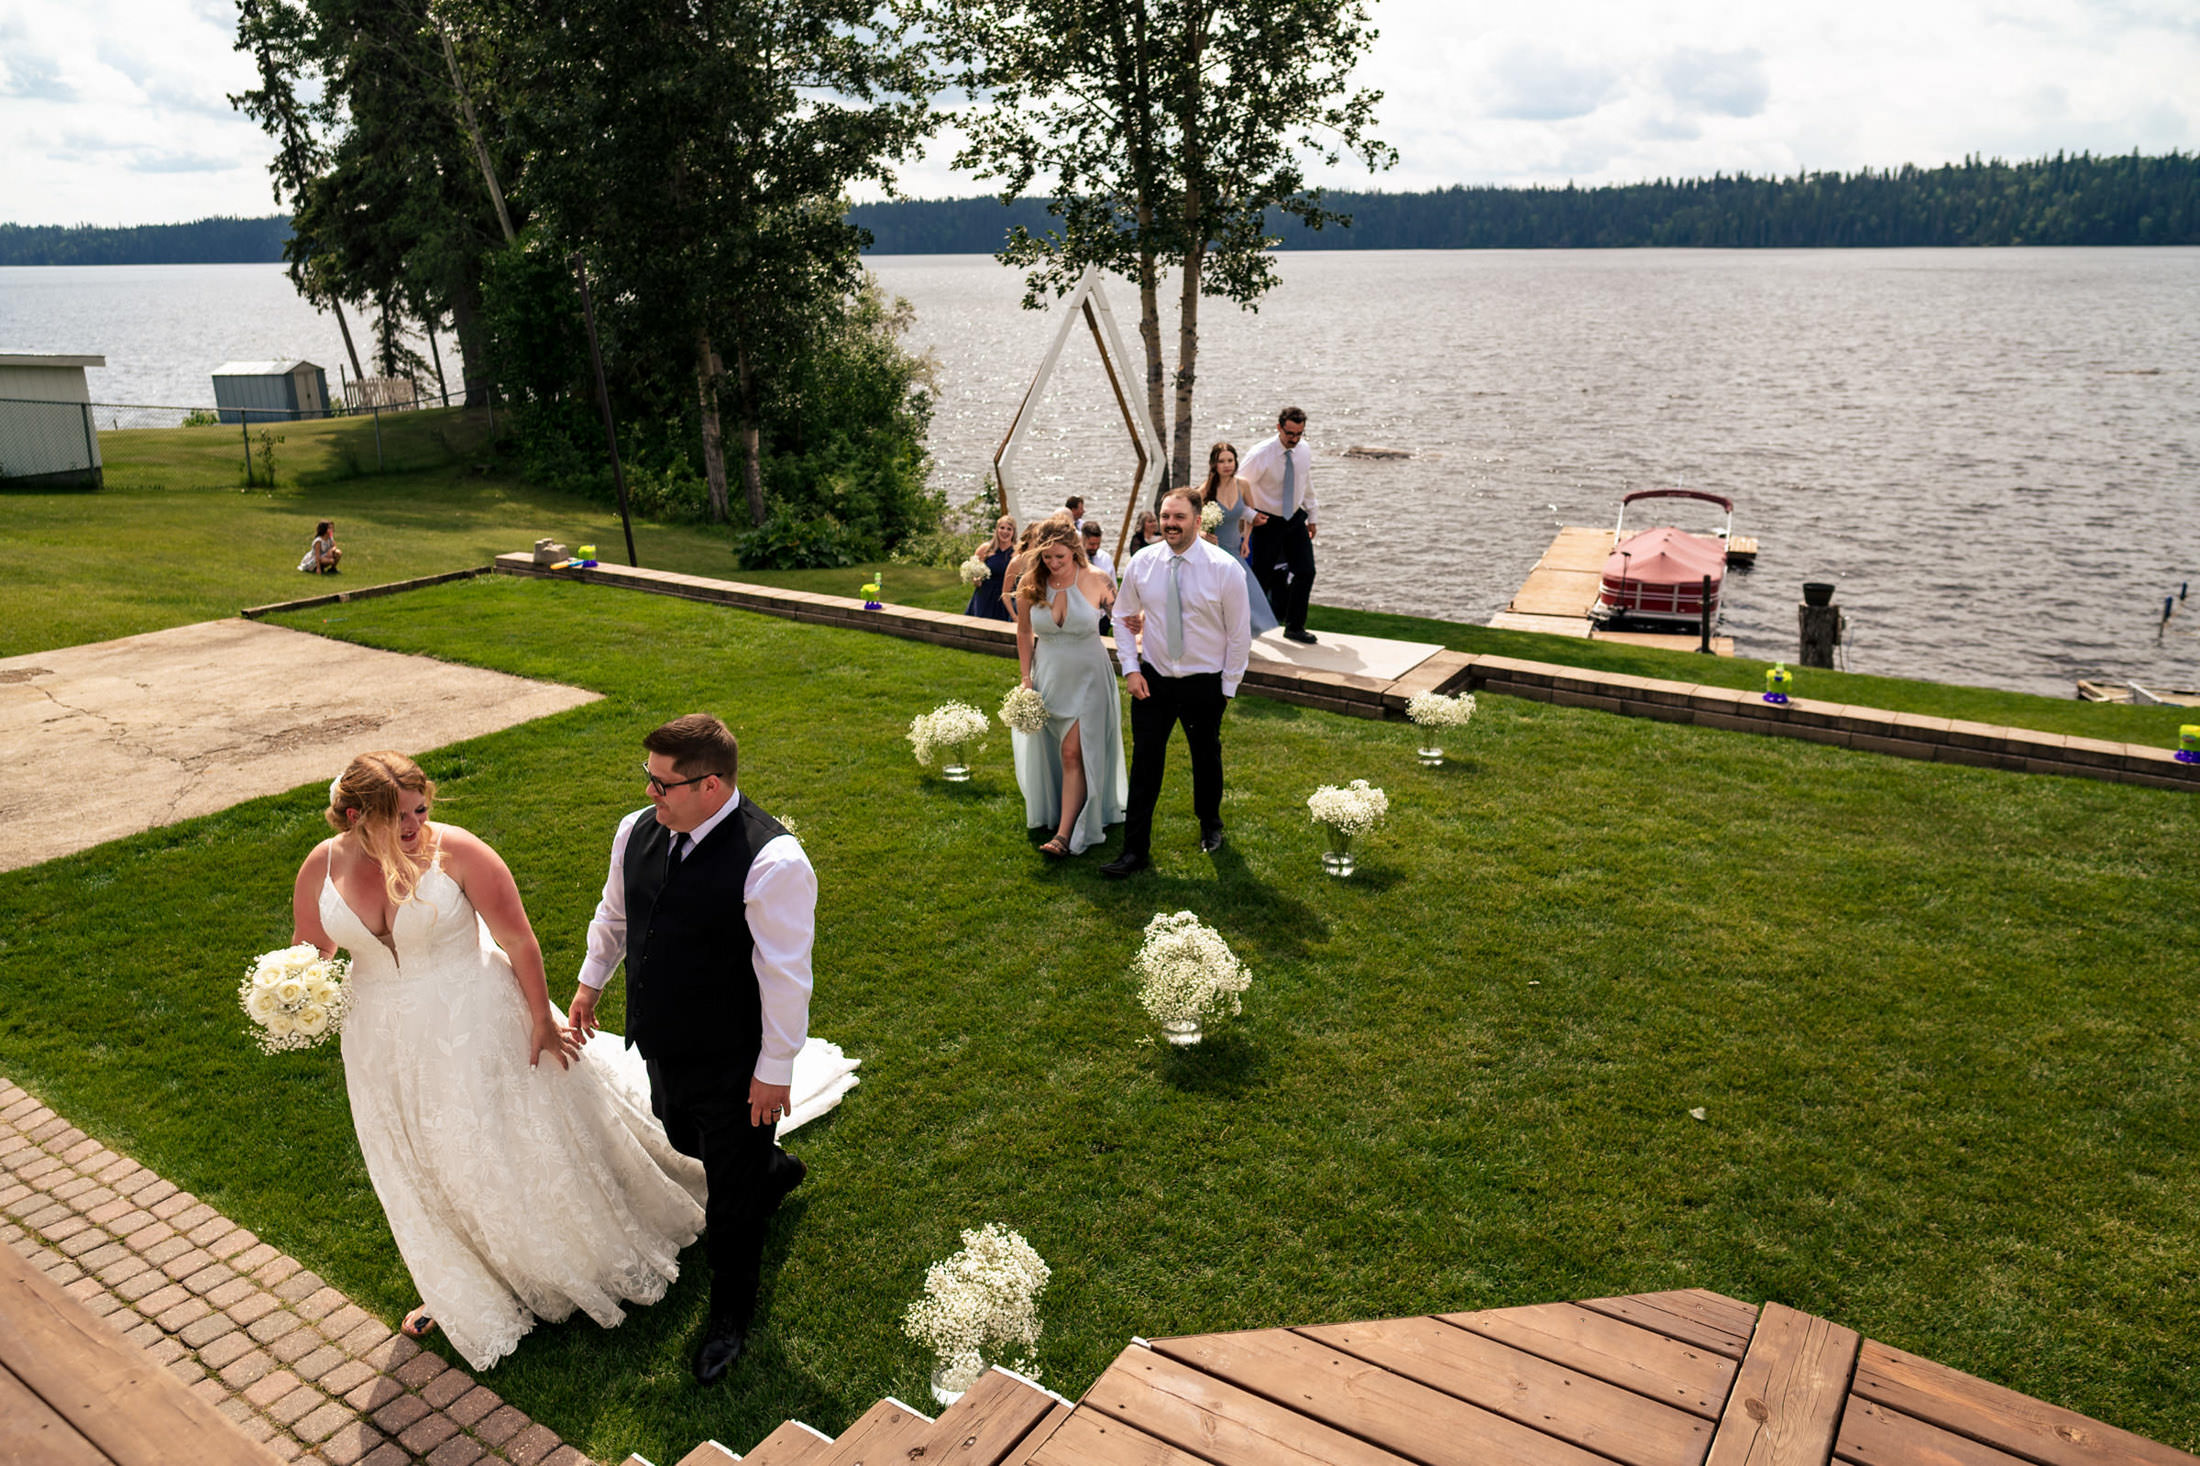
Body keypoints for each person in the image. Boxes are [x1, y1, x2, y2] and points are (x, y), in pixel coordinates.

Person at [290, 752, 706, 1373]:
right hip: (381, 1040)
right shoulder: (322, 866)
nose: (414, 826)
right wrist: (293, 988)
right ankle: (462, 1281)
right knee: (423, 1156)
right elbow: (312, 947)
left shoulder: (456, 852)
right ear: (354, 816)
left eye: (421, 809)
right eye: (396, 816)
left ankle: (555, 1259)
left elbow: (517, 939)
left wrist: (542, 1017)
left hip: (477, 1021)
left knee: (499, 1142)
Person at [568, 714, 816, 1384]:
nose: (650, 792)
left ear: (710, 786)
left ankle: (730, 1320)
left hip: (734, 1057)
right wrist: (592, 983)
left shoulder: (773, 861)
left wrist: (774, 1072)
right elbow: (615, 916)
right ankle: (770, 1169)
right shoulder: (636, 831)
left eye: (662, 783)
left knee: (729, 1202)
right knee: (682, 1131)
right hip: (664, 1040)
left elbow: (787, 975)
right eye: (647, 778)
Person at [1101, 489, 1252, 878]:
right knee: (1146, 764)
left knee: (1206, 758)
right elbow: (1121, 617)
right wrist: (1131, 669)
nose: (1170, 523)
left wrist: (1228, 687)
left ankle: (1210, 824)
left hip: (1205, 683)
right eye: (1166, 516)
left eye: (1179, 517)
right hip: (1152, 681)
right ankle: (1135, 850)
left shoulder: (1225, 569)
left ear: (1198, 521)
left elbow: (1239, 635)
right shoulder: (1143, 562)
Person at [1013, 523, 1128, 857]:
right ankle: (1060, 812)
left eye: (1059, 556)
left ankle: (1064, 837)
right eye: (1046, 556)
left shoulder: (1098, 580)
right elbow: (1023, 633)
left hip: (1090, 679)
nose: (1053, 563)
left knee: (1072, 752)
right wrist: (1025, 679)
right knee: (1055, 751)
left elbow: (1123, 619)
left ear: (1074, 549)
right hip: (1048, 677)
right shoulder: (1031, 584)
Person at [1238, 407, 1318, 644]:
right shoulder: (1260, 454)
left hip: (1294, 518)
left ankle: (1294, 626)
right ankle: (1242, 630)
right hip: (1266, 522)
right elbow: (1237, 488)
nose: (1294, 439)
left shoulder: (1303, 451)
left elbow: (1305, 482)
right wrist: (1249, 515)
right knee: (1259, 579)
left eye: (1299, 434)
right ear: (1279, 427)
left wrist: (1312, 516)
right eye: (1290, 433)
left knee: (1306, 571)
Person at [1197, 443, 1279, 635]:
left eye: (1230, 460)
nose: (1227, 465)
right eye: (1221, 461)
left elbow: (1249, 514)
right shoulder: (1205, 490)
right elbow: (1195, 521)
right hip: (1214, 552)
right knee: (1222, 599)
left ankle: (1240, 635)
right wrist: (1202, 533)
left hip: (1235, 548)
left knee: (1248, 593)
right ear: (1214, 464)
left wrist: (1246, 541)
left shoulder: (1243, 484)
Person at [964, 514, 1017, 621]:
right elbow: (974, 569)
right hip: (984, 595)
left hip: (1004, 597)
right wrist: (976, 580)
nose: (1005, 532)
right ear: (997, 529)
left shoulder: (1016, 552)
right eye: (1002, 528)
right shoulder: (985, 549)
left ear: (1013, 532)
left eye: (1009, 529)